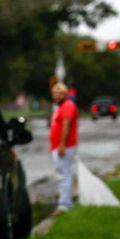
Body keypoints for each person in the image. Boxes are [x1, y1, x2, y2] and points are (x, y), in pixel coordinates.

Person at [50, 81, 79, 212]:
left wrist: (62, 145)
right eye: (54, 93)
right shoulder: (61, 106)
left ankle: (64, 204)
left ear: (63, 94)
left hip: (65, 147)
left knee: (64, 175)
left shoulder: (67, 106)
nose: (54, 96)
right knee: (63, 173)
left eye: (57, 93)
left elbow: (66, 126)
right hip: (58, 146)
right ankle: (65, 201)